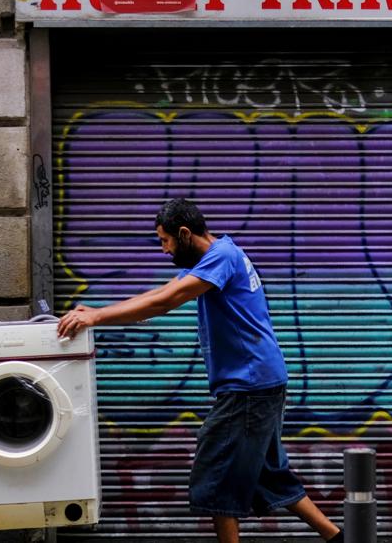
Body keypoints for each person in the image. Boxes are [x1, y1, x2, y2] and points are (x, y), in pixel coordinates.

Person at [57, 198, 344, 543]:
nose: (163, 250)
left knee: (215, 476)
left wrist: (95, 318)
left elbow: (166, 301)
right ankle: (338, 537)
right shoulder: (220, 254)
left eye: (165, 241)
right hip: (259, 382)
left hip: (248, 386)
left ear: (184, 233)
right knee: (269, 476)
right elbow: (163, 292)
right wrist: (101, 310)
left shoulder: (221, 257)